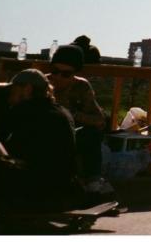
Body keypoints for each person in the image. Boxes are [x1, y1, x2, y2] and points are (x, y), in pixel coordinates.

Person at [0, 69, 82, 212]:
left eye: (14, 90)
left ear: (27, 89)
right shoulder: (62, 111)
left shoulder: (24, 111)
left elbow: (6, 147)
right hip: (63, 187)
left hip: (36, 188)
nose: (11, 95)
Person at [48, 44, 112, 196]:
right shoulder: (44, 84)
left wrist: (73, 114)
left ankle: (93, 183)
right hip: (48, 134)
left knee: (92, 134)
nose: (58, 78)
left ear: (74, 73)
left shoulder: (81, 87)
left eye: (65, 74)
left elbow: (99, 120)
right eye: (55, 72)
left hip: (73, 134)